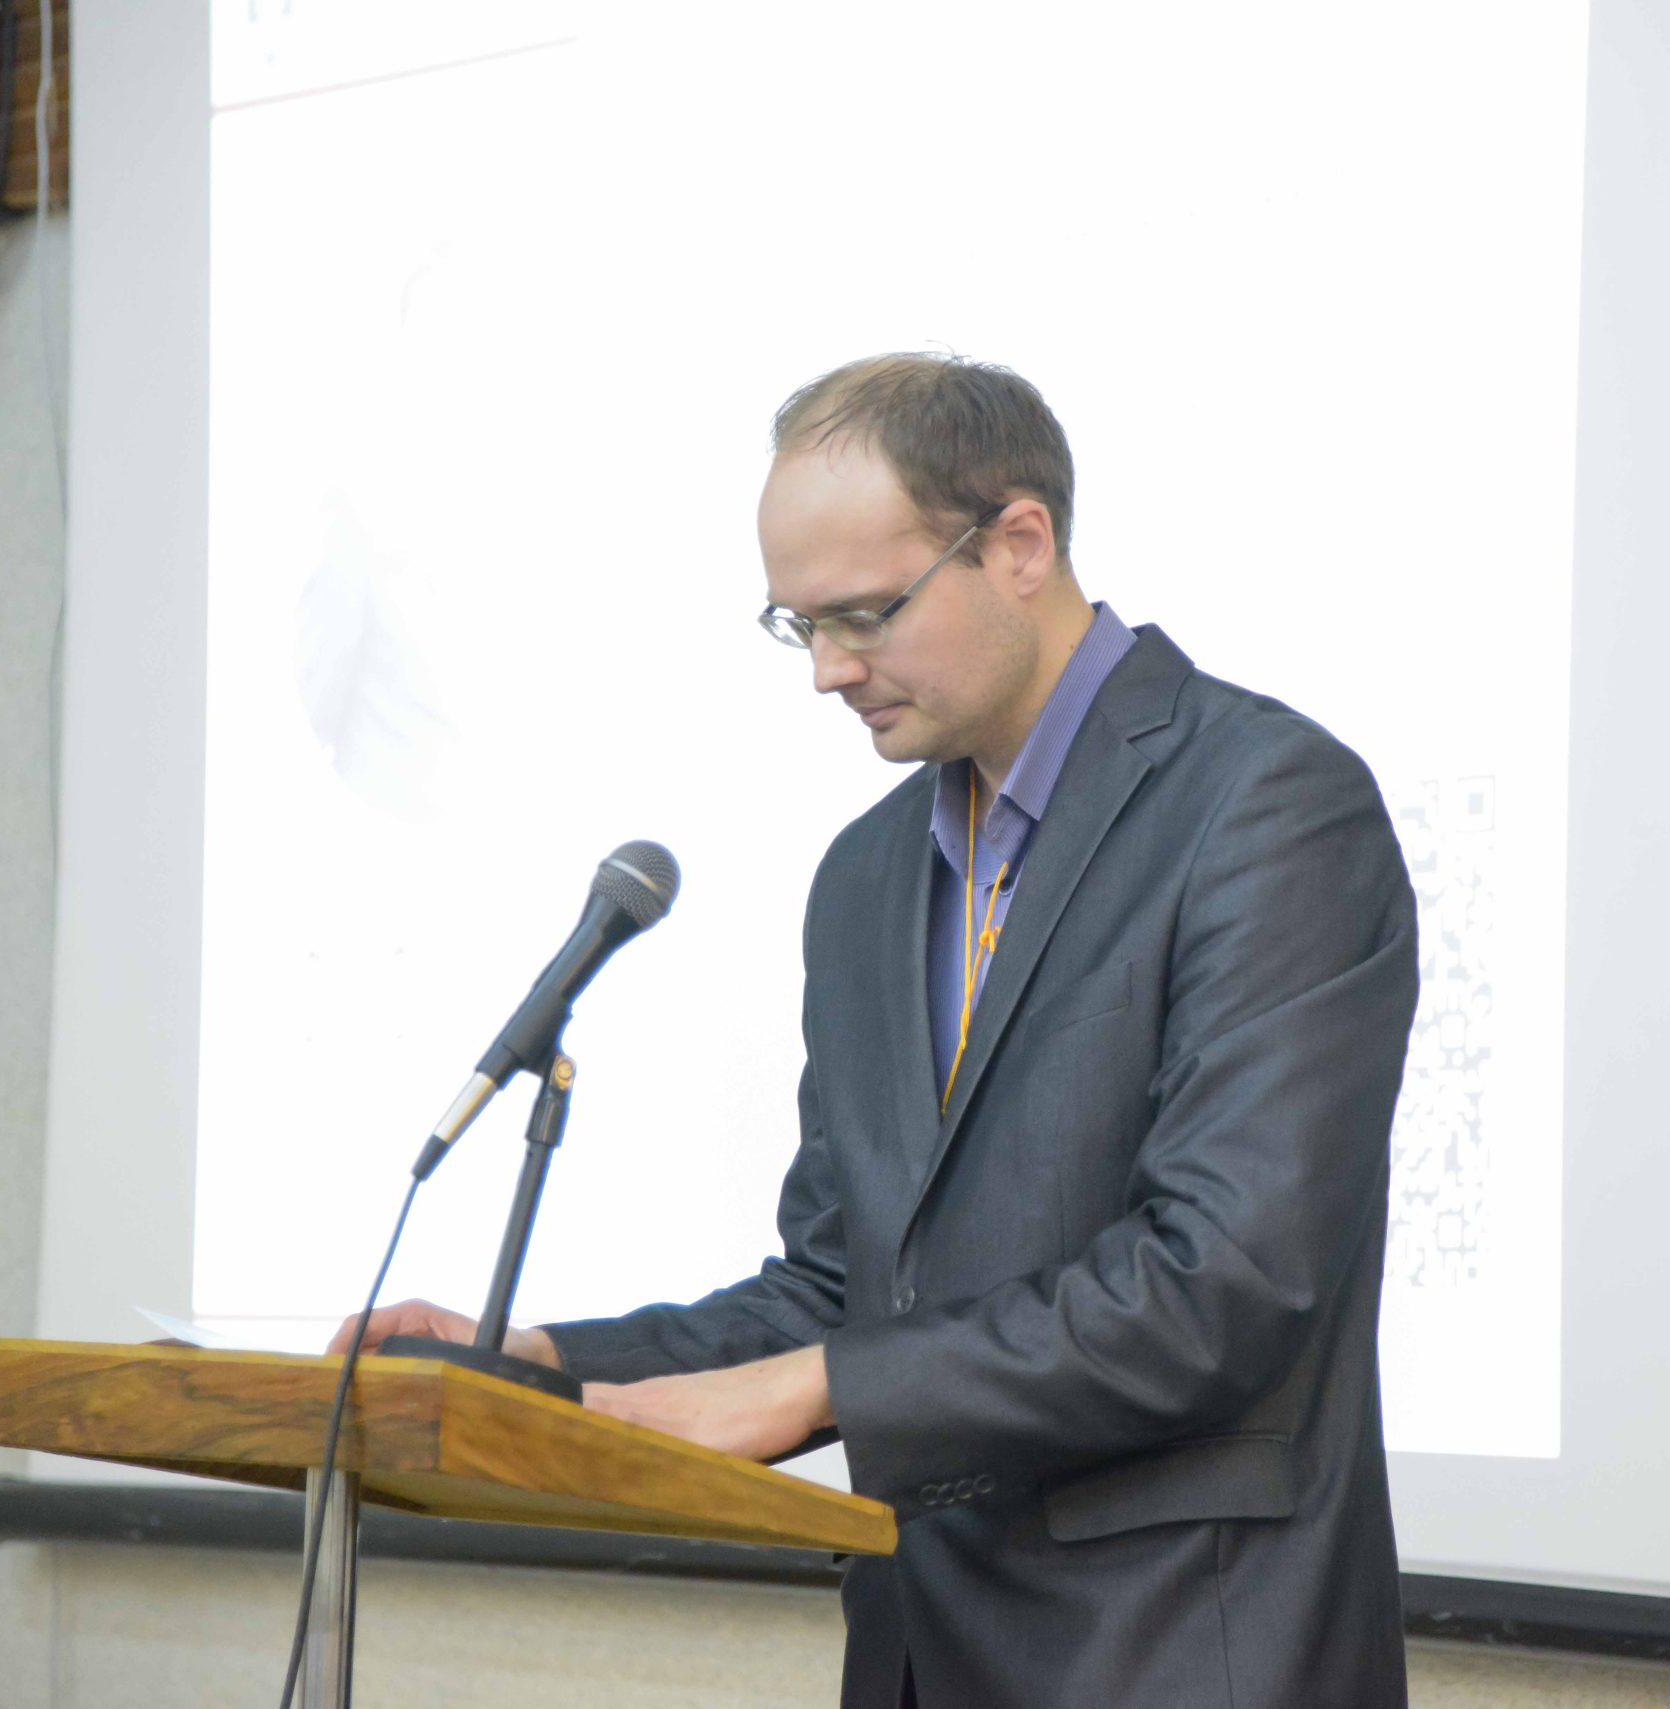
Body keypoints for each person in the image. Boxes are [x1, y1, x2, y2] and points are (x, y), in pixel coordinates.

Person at [336, 353, 1421, 1707]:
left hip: (1181, 1657)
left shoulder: (1268, 805)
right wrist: (544, 1363)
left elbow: (1226, 1283)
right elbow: (839, 1288)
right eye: (798, 626)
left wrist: (826, 1387)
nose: (828, 671)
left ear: (1019, 543)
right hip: (915, 1656)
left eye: (864, 614)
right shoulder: (866, 875)